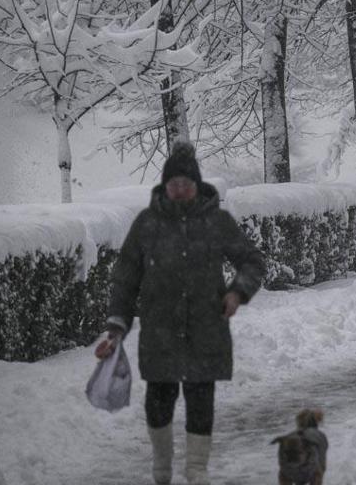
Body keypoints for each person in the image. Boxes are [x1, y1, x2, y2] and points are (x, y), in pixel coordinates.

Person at [94, 141, 265, 485]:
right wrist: (116, 326)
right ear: (165, 185)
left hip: (206, 330)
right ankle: (161, 467)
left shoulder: (217, 221)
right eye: (174, 184)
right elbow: (126, 279)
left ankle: (197, 471)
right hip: (161, 333)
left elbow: (252, 261)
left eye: (186, 183)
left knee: (201, 401)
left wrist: (237, 291)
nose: (180, 189)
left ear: (197, 184)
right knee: (159, 401)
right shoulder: (146, 224)